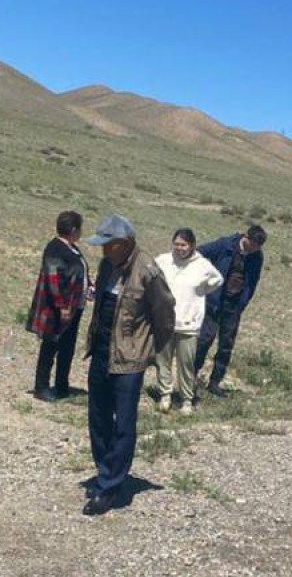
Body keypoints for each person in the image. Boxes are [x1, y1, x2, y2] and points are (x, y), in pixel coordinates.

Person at [82, 214, 175, 516]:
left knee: (123, 423)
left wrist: (149, 350)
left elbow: (165, 314)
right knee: (98, 417)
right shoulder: (106, 266)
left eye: (107, 244)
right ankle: (104, 471)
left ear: (124, 243)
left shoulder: (148, 270)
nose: (103, 250)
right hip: (101, 352)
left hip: (130, 359)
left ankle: (110, 486)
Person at [155, 228, 222, 415]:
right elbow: (150, 274)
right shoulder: (163, 261)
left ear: (192, 245)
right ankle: (165, 395)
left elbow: (217, 280)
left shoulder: (202, 265)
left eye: (183, 245)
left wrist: (200, 292)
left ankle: (186, 399)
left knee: (186, 364)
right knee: (163, 361)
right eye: (176, 244)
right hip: (165, 321)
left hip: (188, 323)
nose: (179, 248)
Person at [194, 225, 267, 395]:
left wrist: (242, 303)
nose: (254, 249)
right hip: (214, 301)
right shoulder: (225, 244)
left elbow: (252, 282)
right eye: (253, 245)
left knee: (226, 344)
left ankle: (214, 382)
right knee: (204, 340)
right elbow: (199, 253)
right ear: (246, 237)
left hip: (234, 306)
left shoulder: (257, 256)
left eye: (258, 247)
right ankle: (191, 375)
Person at [27, 210, 87, 402]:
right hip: (56, 310)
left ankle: (62, 385)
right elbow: (53, 280)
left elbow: (79, 273)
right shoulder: (55, 249)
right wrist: (61, 306)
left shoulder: (72, 249)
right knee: (50, 346)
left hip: (74, 307)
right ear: (74, 230)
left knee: (67, 348)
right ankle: (41, 387)